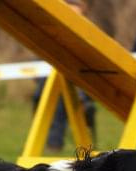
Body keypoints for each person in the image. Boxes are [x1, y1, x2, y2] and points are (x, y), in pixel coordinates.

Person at [32, 0, 96, 154]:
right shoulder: (50, 34)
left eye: (76, 14)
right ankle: (49, 144)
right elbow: (37, 65)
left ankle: (53, 145)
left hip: (83, 85)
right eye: (69, 13)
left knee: (62, 98)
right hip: (51, 82)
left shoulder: (91, 37)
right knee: (42, 94)